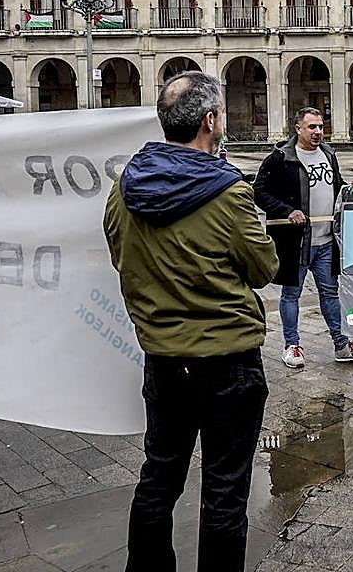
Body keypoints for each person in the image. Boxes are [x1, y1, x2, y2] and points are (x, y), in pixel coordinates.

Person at [103, 70, 279, 572]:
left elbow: (121, 256)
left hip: (163, 360)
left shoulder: (123, 189)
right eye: (221, 111)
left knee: (159, 477)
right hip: (228, 363)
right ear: (210, 121)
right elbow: (264, 269)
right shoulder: (229, 193)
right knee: (225, 492)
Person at [254, 106, 353, 370]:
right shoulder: (279, 158)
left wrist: (351, 189)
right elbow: (259, 192)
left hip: (326, 240)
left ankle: (341, 344)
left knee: (330, 294)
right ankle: (291, 345)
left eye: (320, 126)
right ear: (298, 129)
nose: (318, 131)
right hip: (295, 243)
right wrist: (287, 211)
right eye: (312, 127)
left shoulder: (329, 154)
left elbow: (336, 185)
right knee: (291, 294)